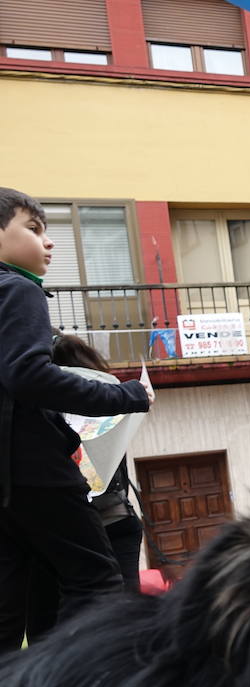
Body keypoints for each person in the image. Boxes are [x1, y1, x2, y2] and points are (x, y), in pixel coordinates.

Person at [0, 189, 153, 652]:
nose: (48, 243)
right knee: (97, 581)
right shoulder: (18, 289)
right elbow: (28, 375)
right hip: (38, 472)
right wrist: (127, 395)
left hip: (8, 486)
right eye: (34, 228)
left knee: (9, 607)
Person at [50, 332, 145, 591]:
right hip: (119, 516)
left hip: (78, 525)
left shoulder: (51, 398)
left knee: (84, 607)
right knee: (126, 607)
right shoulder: (109, 392)